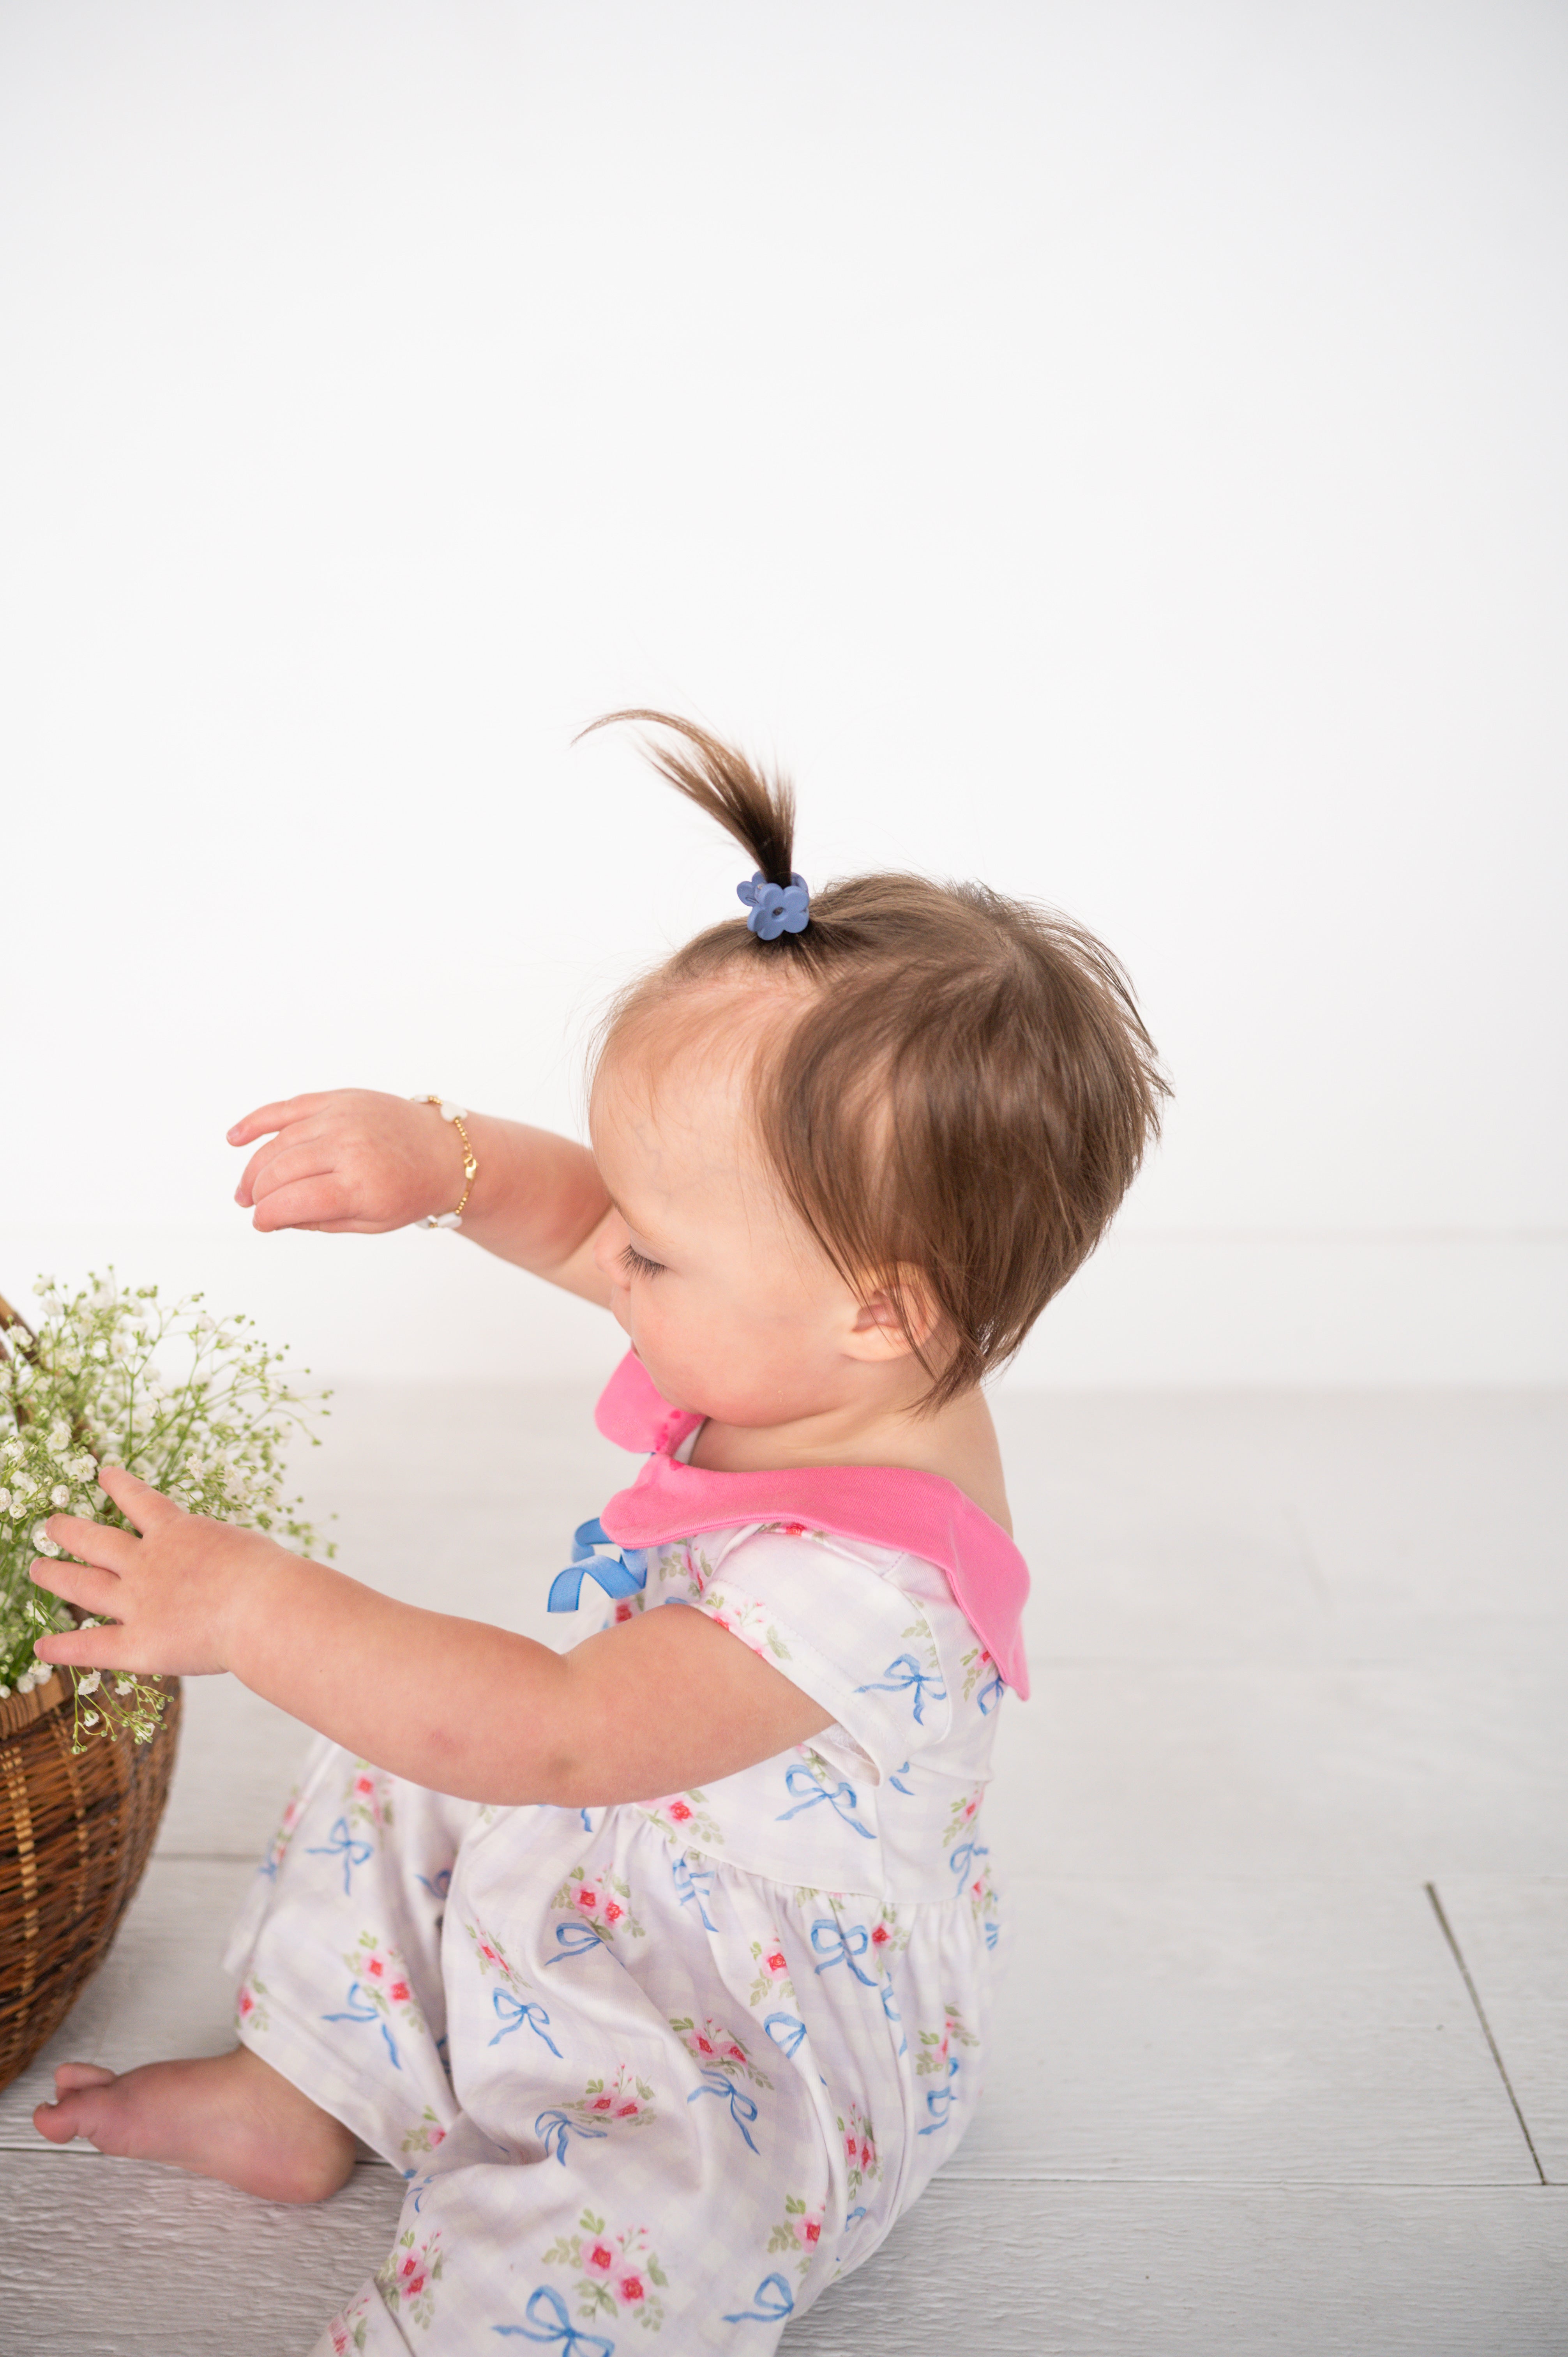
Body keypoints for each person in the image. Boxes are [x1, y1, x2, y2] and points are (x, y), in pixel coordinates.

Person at [29, 714, 1166, 2353]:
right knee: (392, 1756)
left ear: (876, 1314)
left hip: (746, 2020)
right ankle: (303, 2085)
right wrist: (449, 1159)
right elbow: (581, 1213)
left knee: (628, 2218)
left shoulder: (868, 1586)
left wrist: (257, 1610)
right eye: (624, 1214)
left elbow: (559, 1739)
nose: (606, 1255)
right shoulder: (810, 1346)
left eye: (655, 1252)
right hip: (630, 1850)